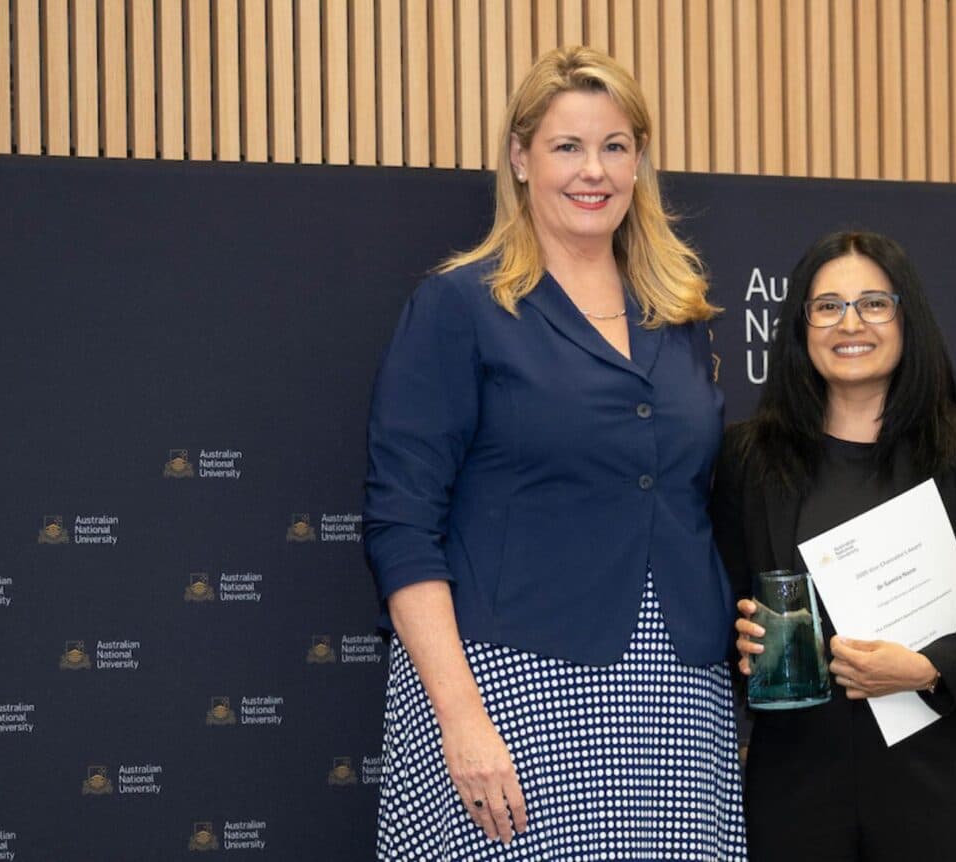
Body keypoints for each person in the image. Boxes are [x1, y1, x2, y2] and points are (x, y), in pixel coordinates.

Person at [364, 46, 746, 861]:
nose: (593, 171)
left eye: (614, 146)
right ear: (520, 157)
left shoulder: (680, 317)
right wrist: (459, 718)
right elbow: (402, 525)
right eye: (566, 146)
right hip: (510, 691)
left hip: (677, 694)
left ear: (639, 161)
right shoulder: (460, 305)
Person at [711, 231, 956, 861]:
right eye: (828, 306)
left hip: (932, 777)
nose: (851, 324)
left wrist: (928, 667)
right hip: (793, 781)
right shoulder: (748, 456)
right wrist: (739, 638)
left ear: (907, 318)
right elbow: (722, 603)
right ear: (800, 326)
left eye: (874, 303)